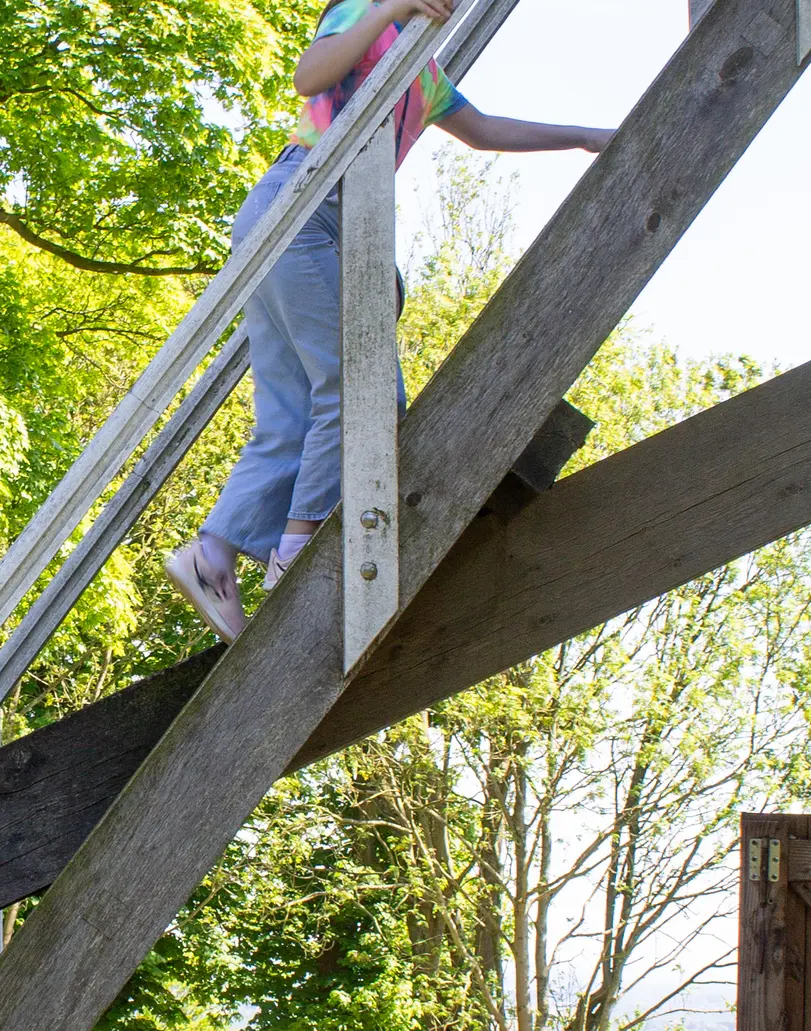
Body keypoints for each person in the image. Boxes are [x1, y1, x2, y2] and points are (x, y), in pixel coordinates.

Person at [164, 0, 616, 640]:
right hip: (305, 203)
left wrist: (579, 136)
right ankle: (296, 555)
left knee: (295, 410)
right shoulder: (366, 15)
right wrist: (390, 8)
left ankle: (211, 559)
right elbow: (310, 76)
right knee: (360, 387)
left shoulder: (424, 70)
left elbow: (484, 129)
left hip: (303, 218)